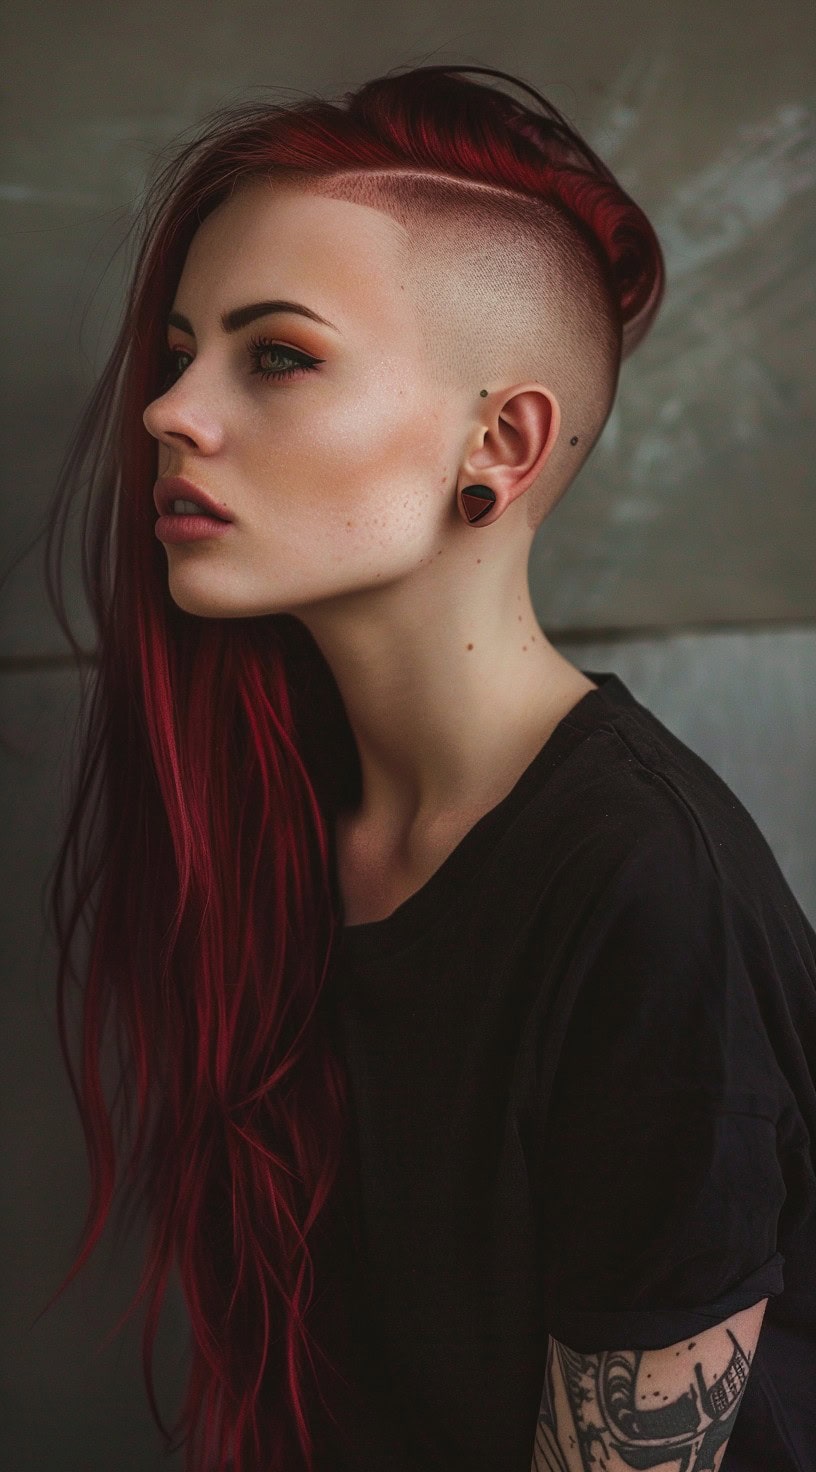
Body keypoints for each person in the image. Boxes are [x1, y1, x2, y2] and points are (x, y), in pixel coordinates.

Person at [35, 62, 816, 1472]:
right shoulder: (290, 808)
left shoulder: (644, 895)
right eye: (179, 349)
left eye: (275, 354)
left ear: (498, 445)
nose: (166, 411)